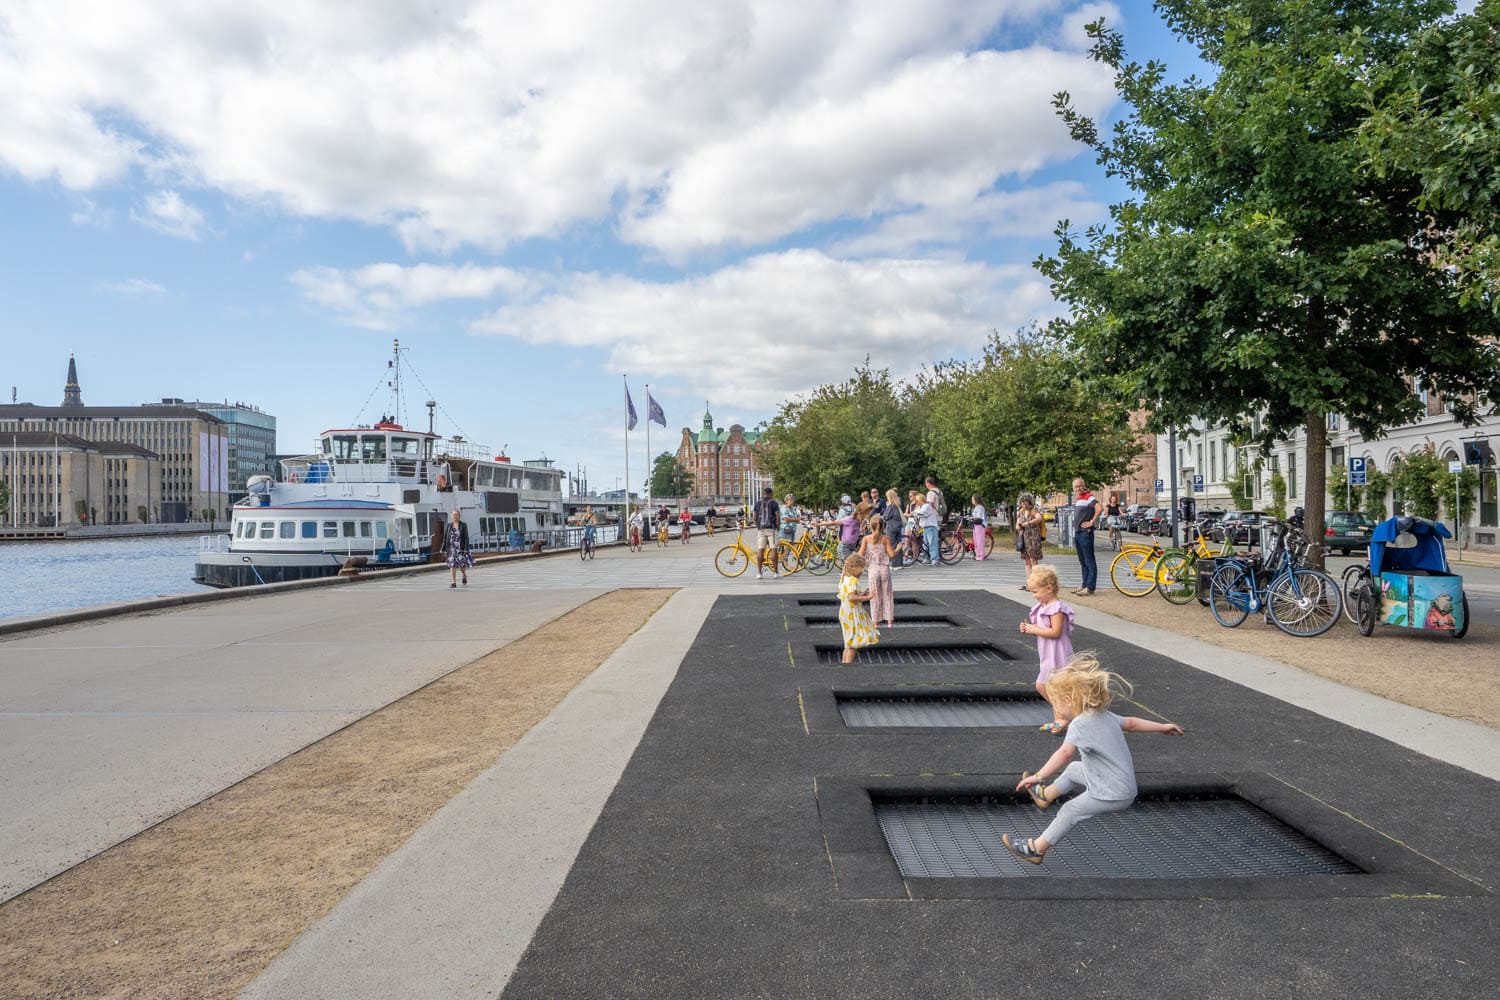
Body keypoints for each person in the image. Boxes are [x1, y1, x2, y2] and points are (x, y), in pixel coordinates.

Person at [1003, 654, 1185, 865]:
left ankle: (1036, 849)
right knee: (1073, 770)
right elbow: (1132, 723)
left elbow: (1064, 752)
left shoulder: (1080, 725)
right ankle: (1045, 796)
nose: (1056, 710)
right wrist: (1162, 727)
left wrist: (1038, 776)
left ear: (1069, 701)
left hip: (1110, 793)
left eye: (1056, 703)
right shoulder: (1102, 714)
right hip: (1121, 785)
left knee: (1070, 810)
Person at [1018, 565, 1074, 734]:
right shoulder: (1044, 606)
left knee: (1045, 685)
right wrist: (1029, 627)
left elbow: (1055, 632)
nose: (1034, 596)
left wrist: (1033, 629)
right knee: (1049, 686)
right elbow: (1043, 628)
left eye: (1036, 592)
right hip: (1047, 652)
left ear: (1049, 589)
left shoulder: (1056, 608)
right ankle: (1060, 718)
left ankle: (1064, 717)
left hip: (1057, 652)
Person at [837, 552, 878, 663]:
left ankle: (844, 665)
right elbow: (851, 597)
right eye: (861, 569)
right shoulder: (853, 580)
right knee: (854, 643)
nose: (862, 572)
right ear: (854, 567)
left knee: (848, 642)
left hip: (845, 612)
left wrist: (862, 594)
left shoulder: (845, 578)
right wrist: (868, 597)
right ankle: (848, 669)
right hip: (852, 613)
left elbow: (847, 595)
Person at [859, 513, 899, 628]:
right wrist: (898, 548)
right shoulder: (885, 538)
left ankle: (875, 622)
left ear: (870, 526)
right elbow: (891, 554)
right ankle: (889, 622)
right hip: (884, 570)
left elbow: (860, 555)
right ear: (882, 527)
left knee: (874, 596)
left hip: (873, 570)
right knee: (887, 594)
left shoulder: (866, 539)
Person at [1071, 478, 1099, 596]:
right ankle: (1084, 584)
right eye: (1076, 486)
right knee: (1082, 561)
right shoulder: (1078, 499)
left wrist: (1092, 521)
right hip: (1078, 533)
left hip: (1085, 533)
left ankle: (1090, 587)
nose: (1078, 488)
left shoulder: (1089, 497)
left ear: (1084, 486)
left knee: (1089, 560)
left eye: (1080, 486)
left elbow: (1099, 508)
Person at [1015, 493, 1044, 589]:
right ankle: (1029, 583)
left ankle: (1036, 583)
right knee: (1027, 562)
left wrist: (1028, 523)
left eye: (1026, 503)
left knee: (1033, 560)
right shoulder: (1021, 512)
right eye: (1023, 504)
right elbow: (1017, 525)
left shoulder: (1034, 510)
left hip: (1033, 538)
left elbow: (1039, 518)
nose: (1024, 505)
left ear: (1030, 503)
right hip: (1024, 538)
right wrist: (1019, 526)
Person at [438, 509, 473, 588]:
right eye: (454, 515)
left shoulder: (463, 525)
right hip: (451, 549)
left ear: (459, 516)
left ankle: (464, 575)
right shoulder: (449, 525)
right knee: (452, 565)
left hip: (460, 548)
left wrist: (466, 548)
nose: (455, 516)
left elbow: (466, 537)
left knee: (461, 565)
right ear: (451, 516)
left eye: (457, 515)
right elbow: (445, 538)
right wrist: (442, 548)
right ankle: (453, 582)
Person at [752, 487, 780, 578]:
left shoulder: (757, 503)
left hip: (762, 529)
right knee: (773, 550)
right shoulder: (774, 503)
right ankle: (775, 572)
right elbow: (778, 517)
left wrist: (758, 527)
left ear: (763, 494)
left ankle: (759, 573)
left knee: (760, 550)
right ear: (771, 494)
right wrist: (778, 527)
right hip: (772, 529)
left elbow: (754, 517)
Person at [915, 488, 940, 566]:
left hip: (931, 527)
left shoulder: (927, 506)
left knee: (932, 544)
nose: (916, 502)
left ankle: (935, 559)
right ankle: (927, 558)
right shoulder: (921, 506)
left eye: (917, 500)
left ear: (920, 500)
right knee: (925, 544)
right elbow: (916, 512)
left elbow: (922, 513)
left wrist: (914, 513)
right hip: (925, 528)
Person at [882, 488, 905, 570]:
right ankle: (900, 563)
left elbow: (885, 516)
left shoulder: (891, 506)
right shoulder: (897, 505)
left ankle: (895, 564)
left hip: (891, 528)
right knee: (898, 544)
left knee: (892, 545)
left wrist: (886, 507)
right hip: (898, 527)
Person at [969, 494, 989, 561]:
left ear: (976, 500)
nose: (972, 500)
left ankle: (981, 555)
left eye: (972, 499)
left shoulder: (980, 507)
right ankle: (978, 555)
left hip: (980, 525)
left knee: (980, 541)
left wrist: (972, 517)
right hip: (975, 524)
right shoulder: (976, 507)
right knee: (976, 540)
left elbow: (979, 516)